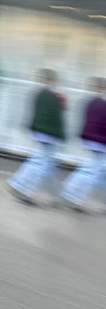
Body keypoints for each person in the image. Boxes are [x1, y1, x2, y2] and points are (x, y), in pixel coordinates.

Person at [6, 69, 67, 205]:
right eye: (54, 80)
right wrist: (61, 134)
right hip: (49, 134)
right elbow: (56, 118)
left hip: (40, 132)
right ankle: (20, 185)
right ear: (51, 81)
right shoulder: (53, 96)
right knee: (43, 162)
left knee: (48, 162)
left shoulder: (39, 93)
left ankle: (55, 195)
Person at [60, 77, 106, 212]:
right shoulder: (102, 104)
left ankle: (74, 194)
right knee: (93, 169)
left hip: (90, 138)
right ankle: (71, 193)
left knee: (98, 169)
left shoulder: (90, 102)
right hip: (99, 141)